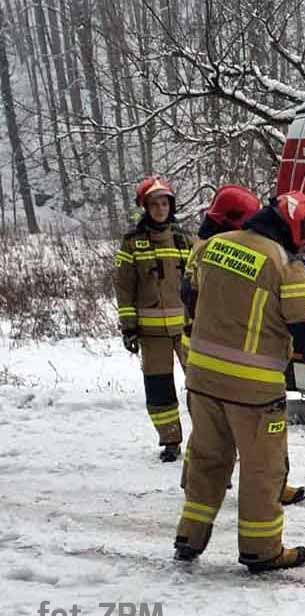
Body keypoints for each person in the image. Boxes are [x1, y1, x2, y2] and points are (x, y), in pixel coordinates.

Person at [174, 191, 305, 572]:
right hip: (253, 393)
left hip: (201, 379)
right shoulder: (284, 265)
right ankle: (261, 549)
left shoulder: (211, 247)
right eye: (304, 247)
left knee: (207, 459)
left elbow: (189, 298)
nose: (302, 254)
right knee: (262, 470)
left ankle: (189, 536)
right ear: (296, 231)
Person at [179, 185, 305, 506]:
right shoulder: (211, 249)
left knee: (213, 426)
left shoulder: (217, 246)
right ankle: (201, 482)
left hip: (211, 350)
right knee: (236, 429)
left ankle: (205, 481)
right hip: (221, 350)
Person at [114, 177, 192, 462]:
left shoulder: (184, 239)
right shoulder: (132, 243)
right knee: (159, 389)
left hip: (186, 329)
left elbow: (199, 281)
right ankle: (170, 441)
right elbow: (124, 288)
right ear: (145, 208)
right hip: (151, 333)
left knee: (203, 385)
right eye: (155, 204)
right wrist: (129, 328)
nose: (160, 209)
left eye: (165, 203)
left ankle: (211, 439)